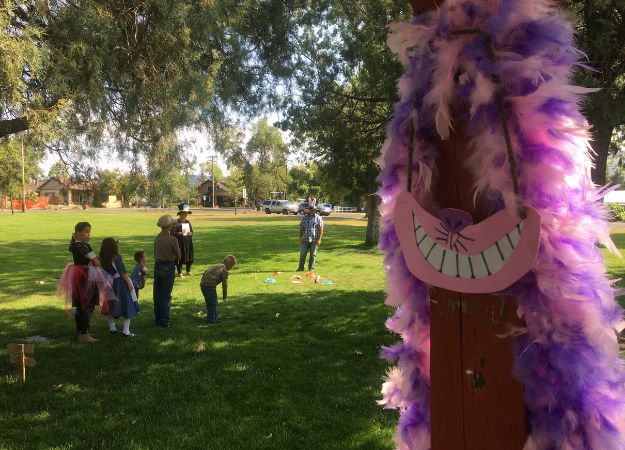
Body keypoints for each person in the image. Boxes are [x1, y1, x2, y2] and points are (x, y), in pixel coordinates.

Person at [57, 222, 114, 343]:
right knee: (88, 305)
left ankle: (79, 332)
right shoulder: (85, 246)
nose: (89, 235)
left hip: (77, 276)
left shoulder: (74, 245)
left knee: (80, 306)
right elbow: (97, 263)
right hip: (87, 277)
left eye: (90, 232)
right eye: (86, 232)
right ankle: (85, 335)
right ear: (78, 233)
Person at [99, 238, 139, 337]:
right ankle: (126, 330)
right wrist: (129, 284)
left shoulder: (101, 258)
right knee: (127, 304)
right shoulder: (116, 257)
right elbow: (122, 272)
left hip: (108, 283)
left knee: (110, 305)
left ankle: (112, 328)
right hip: (120, 283)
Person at [154, 214, 181, 328]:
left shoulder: (157, 238)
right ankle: (164, 321)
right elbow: (179, 256)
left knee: (157, 294)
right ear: (169, 226)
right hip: (168, 266)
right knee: (166, 295)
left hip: (158, 265)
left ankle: (158, 320)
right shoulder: (173, 239)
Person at [200, 255, 237, 324]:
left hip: (203, 284)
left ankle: (214, 316)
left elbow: (206, 271)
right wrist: (224, 296)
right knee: (213, 303)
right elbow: (224, 285)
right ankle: (210, 320)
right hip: (209, 285)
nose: (231, 268)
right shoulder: (224, 270)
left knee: (210, 302)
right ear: (229, 264)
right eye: (232, 266)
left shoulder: (218, 265)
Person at [297, 205, 324, 272]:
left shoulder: (319, 218)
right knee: (303, 254)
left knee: (313, 255)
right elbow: (302, 228)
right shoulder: (304, 218)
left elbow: (321, 229)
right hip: (305, 239)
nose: (311, 210)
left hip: (314, 239)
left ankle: (311, 269)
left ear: (315, 210)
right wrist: (300, 237)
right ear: (308, 210)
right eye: (310, 209)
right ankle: (300, 268)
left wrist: (320, 239)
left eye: (313, 209)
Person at [171, 203, 195, 277]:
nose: (185, 215)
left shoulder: (188, 222)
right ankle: (180, 272)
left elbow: (191, 231)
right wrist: (180, 233)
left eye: (186, 214)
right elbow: (172, 233)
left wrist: (190, 233)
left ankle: (188, 271)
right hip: (179, 244)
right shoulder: (176, 223)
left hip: (188, 243)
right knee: (180, 257)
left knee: (189, 257)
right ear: (180, 214)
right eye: (184, 213)